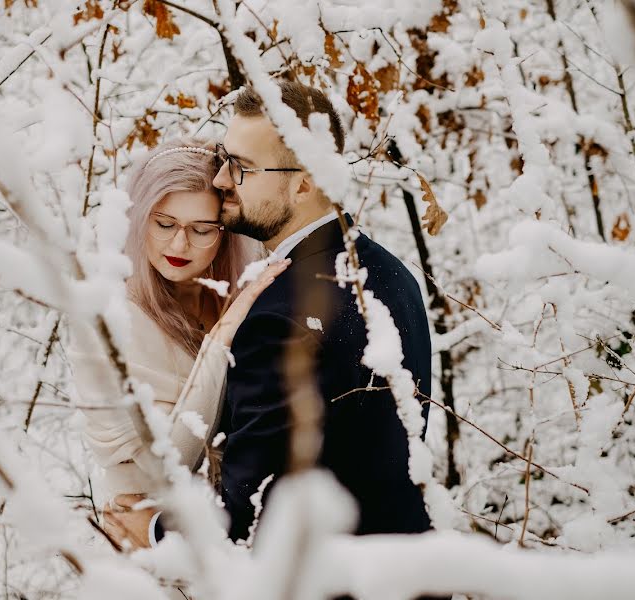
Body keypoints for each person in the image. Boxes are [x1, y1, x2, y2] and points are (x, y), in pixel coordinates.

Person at [109, 82, 435, 549]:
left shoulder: (279, 316)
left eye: (240, 167)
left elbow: (249, 508)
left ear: (303, 183)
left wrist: (158, 531)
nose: (221, 179)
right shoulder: (390, 272)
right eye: (224, 159)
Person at [68, 139, 289, 548]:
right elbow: (166, 463)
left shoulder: (233, 292)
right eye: (163, 223)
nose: (178, 245)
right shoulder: (107, 319)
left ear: (225, 233)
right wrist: (221, 341)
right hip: (148, 542)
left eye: (202, 230)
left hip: (233, 532)